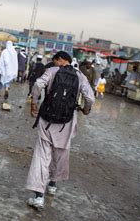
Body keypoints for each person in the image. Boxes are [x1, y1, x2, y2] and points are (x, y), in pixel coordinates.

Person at [26, 51, 94, 210]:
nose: (54, 63)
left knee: (42, 156)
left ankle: (38, 197)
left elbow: (37, 85)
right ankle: (52, 184)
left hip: (47, 120)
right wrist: (86, 109)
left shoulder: (51, 71)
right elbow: (90, 98)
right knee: (60, 153)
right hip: (67, 122)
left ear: (61, 60)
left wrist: (34, 103)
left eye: (55, 60)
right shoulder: (80, 76)